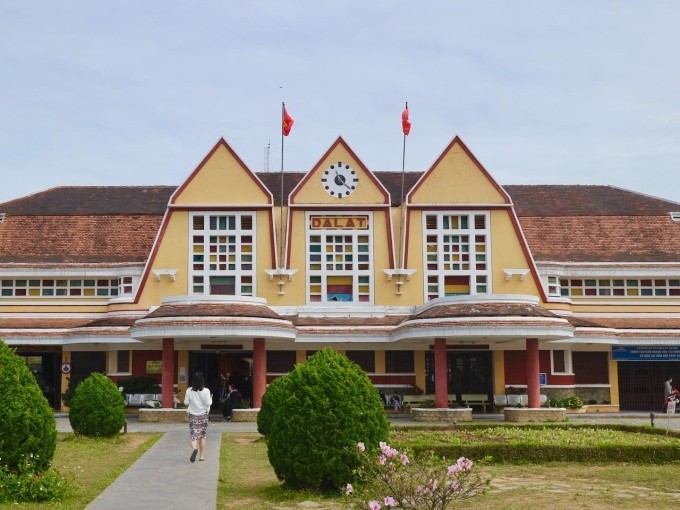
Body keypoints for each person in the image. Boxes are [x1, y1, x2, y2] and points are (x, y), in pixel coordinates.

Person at [183, 372, 212, 463]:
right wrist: (211, 397)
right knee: (202, 436)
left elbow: (186, 403)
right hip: (203, 416)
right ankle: (202, 456)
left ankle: (194, 449)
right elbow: (208, 403)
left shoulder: (189, 390)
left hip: (193, 416)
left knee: (193, 436)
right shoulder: (206, 391)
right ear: (202, 380)